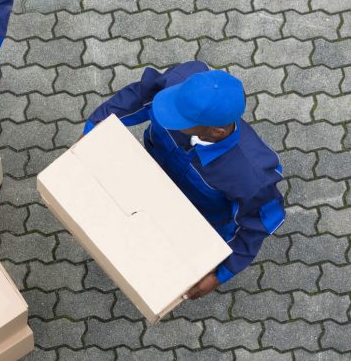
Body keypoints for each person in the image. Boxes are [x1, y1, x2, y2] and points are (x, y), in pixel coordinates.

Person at [83, 61, 284, 300]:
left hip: (197, 218)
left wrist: (220, 273)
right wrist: (93, 130)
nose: (165, 115)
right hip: (150, 179)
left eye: (179, 119)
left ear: (216, 131)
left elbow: (255, 226)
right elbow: (140, 96)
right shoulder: (182, 83)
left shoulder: (252, 175)